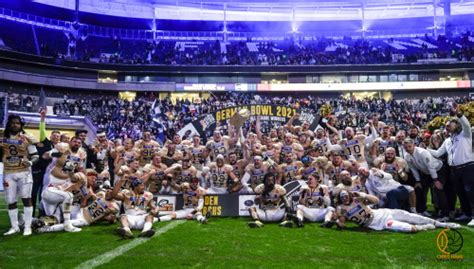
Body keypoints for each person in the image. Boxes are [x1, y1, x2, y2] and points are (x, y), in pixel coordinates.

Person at [427, 104, 474, 226]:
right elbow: (438, 153)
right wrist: (425, 149)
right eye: (446, 125)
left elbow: (466, 124)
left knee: (470, 191)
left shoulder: (465, 134)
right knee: (460, 192)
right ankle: (467, 213)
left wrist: (459, 115)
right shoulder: (448, 141)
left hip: (468, 167)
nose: (447, 126)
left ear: (457, 125)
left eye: (450, 124)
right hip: (454, 170)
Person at [335, 190, 460, 232]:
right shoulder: (342, 209)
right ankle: (426, 227)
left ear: (350, 196)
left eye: (346, 196)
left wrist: (363, 195)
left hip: (382, 213)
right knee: (409, 228)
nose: (345, 198)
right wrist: (338, 223)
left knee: (410, 216)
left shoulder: (358, 199)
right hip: (376, 224)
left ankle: (442, 224)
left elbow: (376, 201)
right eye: (342, 197)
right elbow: (341, 222)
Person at [1, 115, 39, 236]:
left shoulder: (27, 138)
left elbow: (36, 156)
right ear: (9, 124)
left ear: (21, 125)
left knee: (26, 198)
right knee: (11, 200)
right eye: (13, 123)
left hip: (24, 172)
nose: (15, 125)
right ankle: (15, 226)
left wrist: (31, 162)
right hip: (8, 172)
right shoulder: (2, 137)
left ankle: (27, 227)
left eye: (17, 123)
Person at [32, 109, 60, 216]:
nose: (55, 137)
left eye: (57, 136)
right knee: (33, 193)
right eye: (54, 135)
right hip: (37, 171)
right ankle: (31, 215)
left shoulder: (59, 148)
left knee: (44, 194)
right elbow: (42, 129)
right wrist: (43, 117)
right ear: (51, 135)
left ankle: (42, 214)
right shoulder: (45, 141)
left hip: (49, 175)